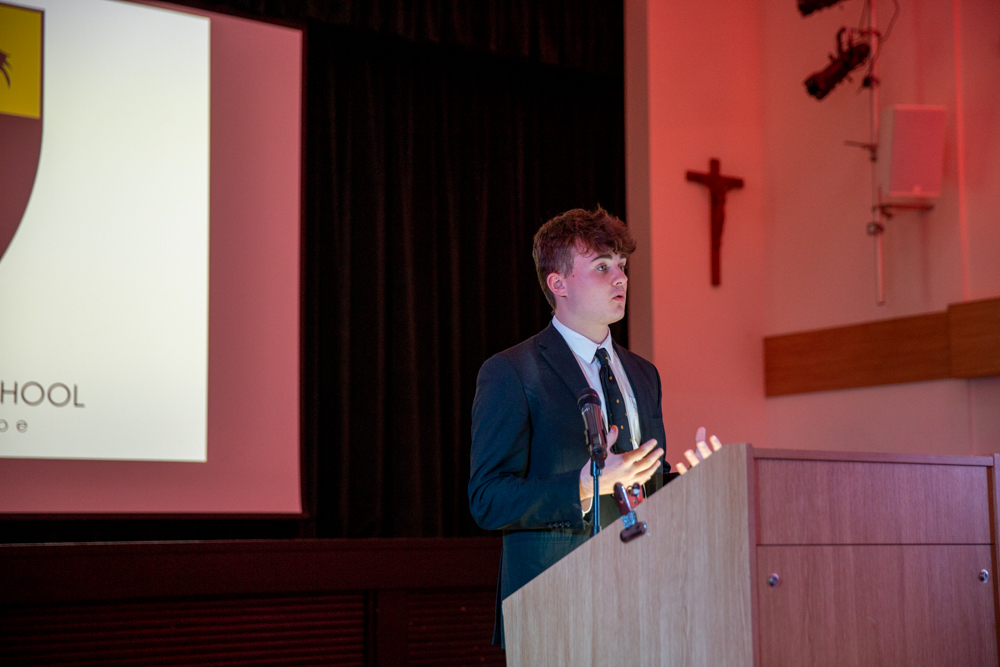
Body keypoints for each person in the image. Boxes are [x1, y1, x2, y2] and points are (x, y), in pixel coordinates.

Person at [468, 206, 670, 646]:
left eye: (622, 266)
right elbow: (488, 499)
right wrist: (583, 485)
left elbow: (646, 486)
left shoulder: (644, 374)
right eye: (602, 267)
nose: (620, 278)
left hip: (645, 599)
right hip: (554, 604)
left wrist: (696, 479)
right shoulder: (512, 372)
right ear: (557, 284)